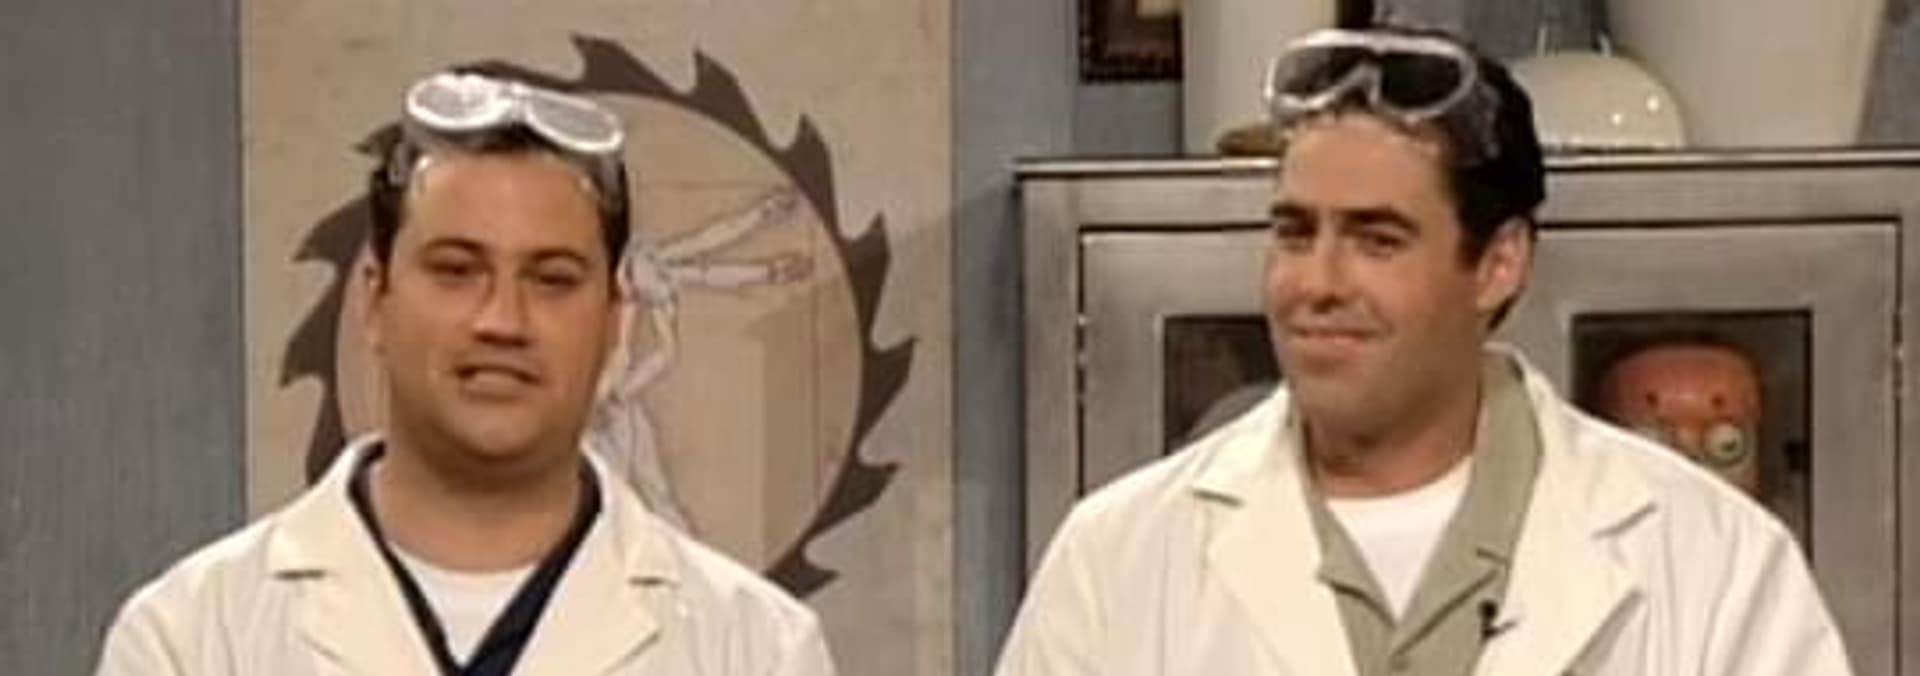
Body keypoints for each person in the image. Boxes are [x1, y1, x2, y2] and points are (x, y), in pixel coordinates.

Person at [995, 26, 1851, 675]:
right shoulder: (1120, 560)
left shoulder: (1712, 562)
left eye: (1377, 240)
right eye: (1295, 233)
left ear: (1499, 262)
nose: (1317, 282)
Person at [95, 71, 836, 676]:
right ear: (375, 300)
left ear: (616, 320)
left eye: (552, 279)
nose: (502, 320)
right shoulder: (191, 639)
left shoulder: (756, 650)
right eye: (456, 270)